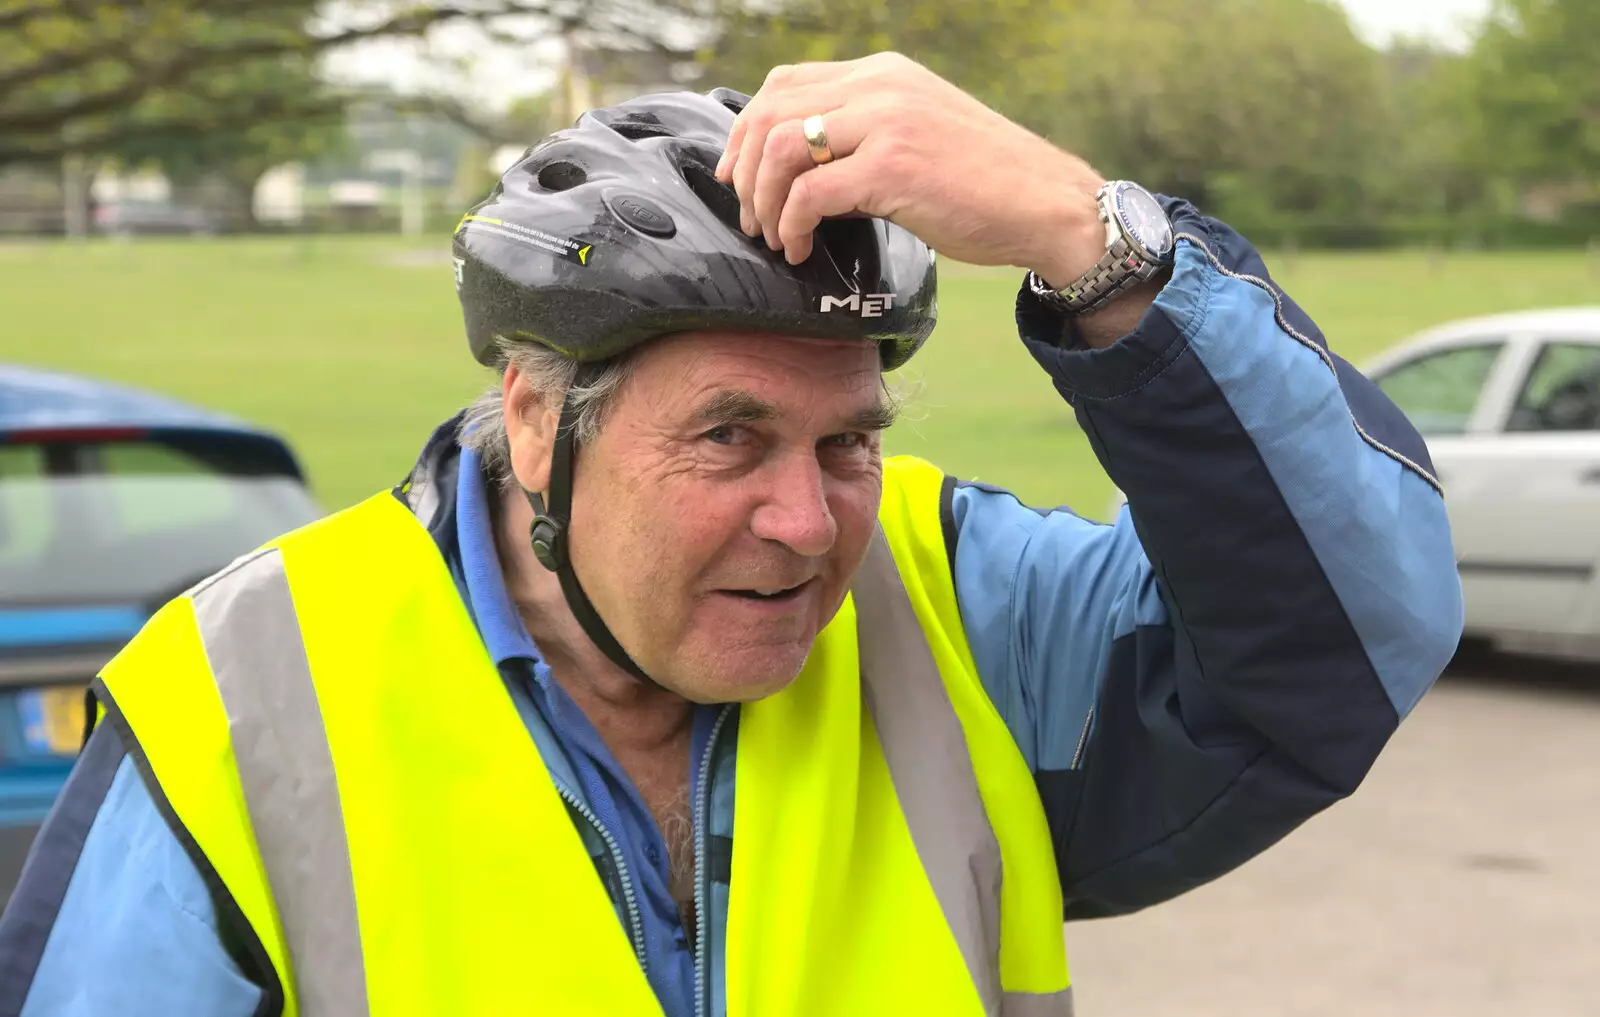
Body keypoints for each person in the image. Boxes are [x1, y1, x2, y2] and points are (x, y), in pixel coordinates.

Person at [0, 54, 1462, 1017]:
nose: (806, 520)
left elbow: (1348, 633)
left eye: (849, 442)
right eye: (728, 437)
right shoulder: (252, 690)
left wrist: (1094, 242)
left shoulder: (955, 601)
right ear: (532, 422)